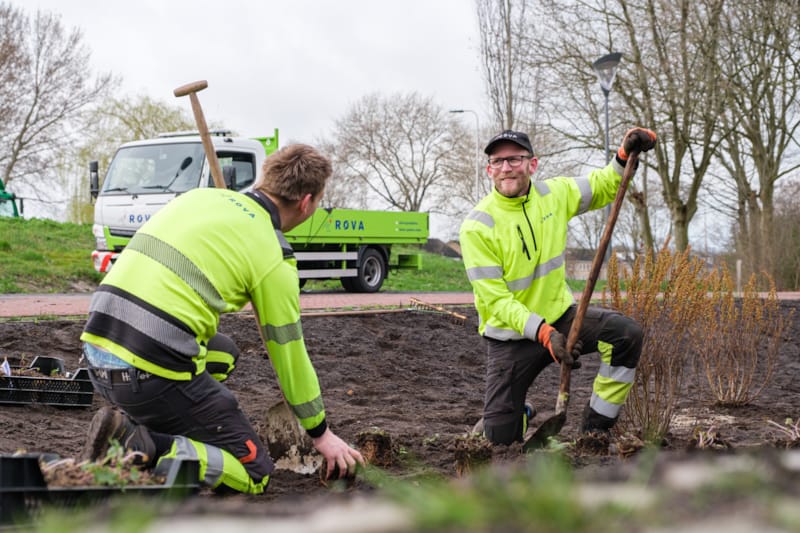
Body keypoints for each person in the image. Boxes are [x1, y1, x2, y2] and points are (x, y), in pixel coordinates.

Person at [80, 143, 364, 493]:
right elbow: (290, 353)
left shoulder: (199, 198)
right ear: (306, 202)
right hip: (149, 372)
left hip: (97, 352)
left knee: (224, 354)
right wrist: (321, 433)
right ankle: (145, 445)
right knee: (255, 473)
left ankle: (150, 421)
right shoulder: (274, 256)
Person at [459, 128, 656, 445]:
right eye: (498, 161)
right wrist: (543, 333)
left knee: (626, 334)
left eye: (514, 159)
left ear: (532, 164)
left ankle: (595, 429)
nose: (506, 167)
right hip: (511, 339)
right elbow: (496, 302)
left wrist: (622, 156)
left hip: (561, 317)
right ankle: (518, 414)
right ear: (489, 170)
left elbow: (605, 185)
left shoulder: (555, 194)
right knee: (499, 441)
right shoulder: (478, 226)